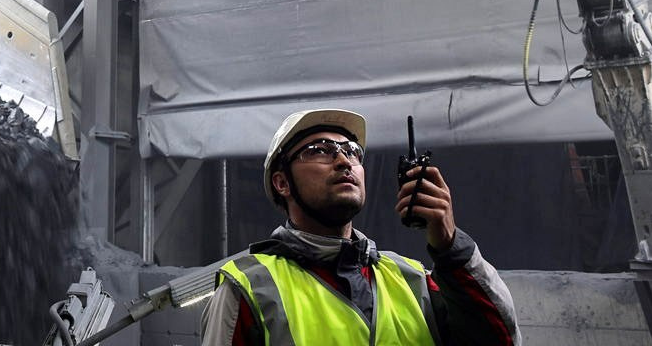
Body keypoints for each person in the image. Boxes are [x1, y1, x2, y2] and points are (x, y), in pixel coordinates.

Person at [200, 108, 519, 345]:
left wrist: (450, 247)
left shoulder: (412, 280)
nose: (343, 161)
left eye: (352, 152)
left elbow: (501, 339)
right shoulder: (249, 288)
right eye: (320, 150)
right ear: (282, 182)